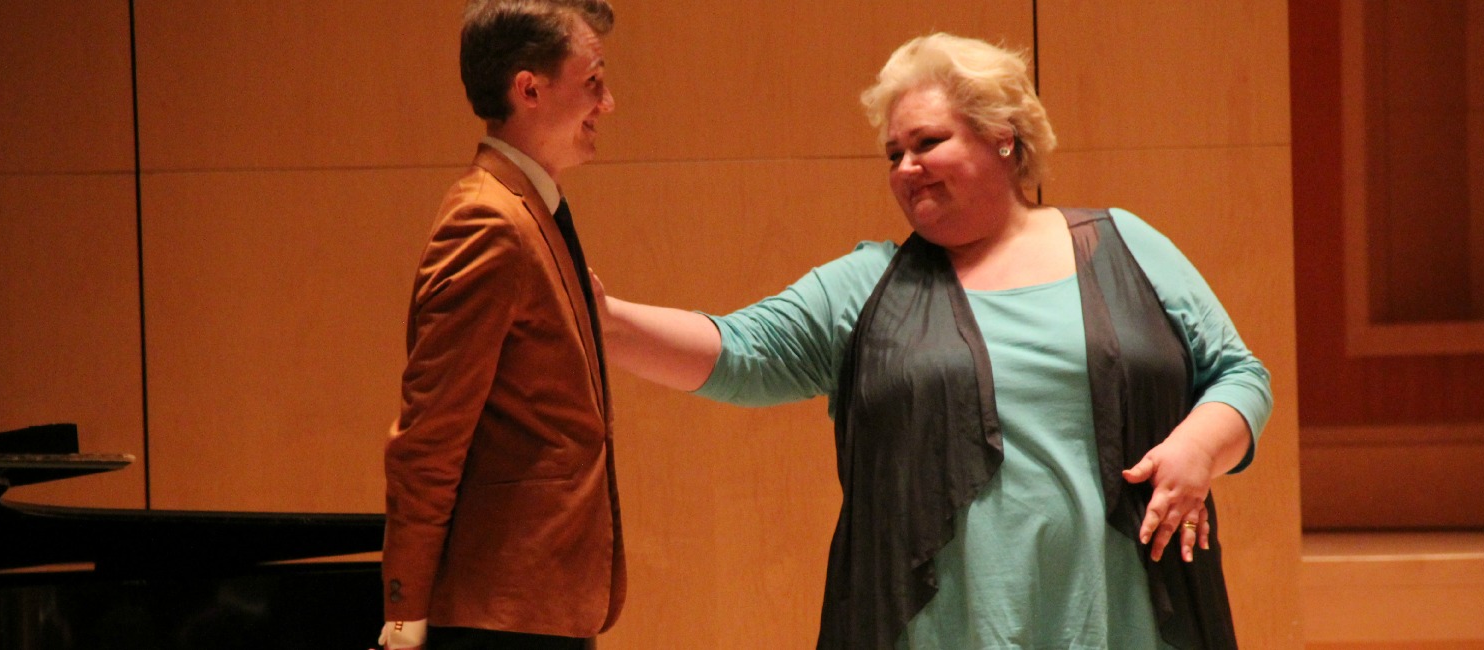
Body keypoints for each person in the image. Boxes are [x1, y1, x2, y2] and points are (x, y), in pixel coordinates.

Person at [597, 33, 1270, 649]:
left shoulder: (1124, 244)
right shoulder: (868, 286)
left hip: (1122, 616)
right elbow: (738, 353)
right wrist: (605, 322)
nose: (907, 168)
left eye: (926, 143)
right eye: (894, 154)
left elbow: (1239, 374)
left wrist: (1198, 446)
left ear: (1002, 138)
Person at [380, 1, 621, 648]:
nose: (608, 102)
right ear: (530, 89)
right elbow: (429, 438)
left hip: (541, 605)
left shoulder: (526, 208)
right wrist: (403, 618)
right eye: (593, 80)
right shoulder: (486, 222)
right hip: (500, 619)